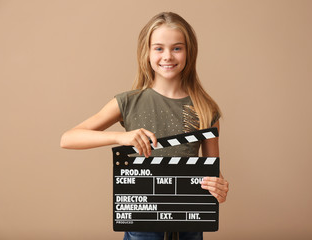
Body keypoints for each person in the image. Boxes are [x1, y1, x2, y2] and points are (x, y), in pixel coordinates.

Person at [61, 12, 229, 240]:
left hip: (189, 221)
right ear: (147, 52)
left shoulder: (206, 109)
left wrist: (219, 188)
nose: (168, 56)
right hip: (144, 221)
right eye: (159, 48)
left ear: (189, 52)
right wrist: (121, 138)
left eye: (177, 48)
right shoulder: (129, 101)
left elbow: (212, 172)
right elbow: (69, 138)